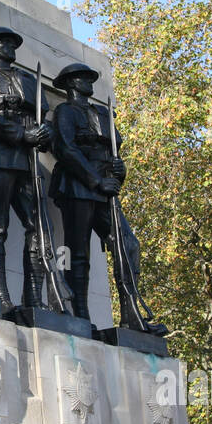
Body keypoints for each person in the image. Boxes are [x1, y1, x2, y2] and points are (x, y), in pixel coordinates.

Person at [49, 62, 166, 334]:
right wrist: (96, 180)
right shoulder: (65, 111)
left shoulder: (102, 113)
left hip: (106, 189)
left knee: (129, 245)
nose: (88, 82)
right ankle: (80, 314)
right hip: (78, 186)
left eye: (90, 78)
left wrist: (119, 172)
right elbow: (66, 149)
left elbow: (114, 151)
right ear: (69, 83)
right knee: (77, 254)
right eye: (81, 78)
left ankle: (131, 314)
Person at [0, 26, 52, 314]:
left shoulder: (27, 80)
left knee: (39, 227)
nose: (10, 46)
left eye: (12, 42)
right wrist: (19, 134)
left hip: (27, 160)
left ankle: (34, 298)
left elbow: (43, 116)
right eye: (3, 42)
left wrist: (44, 134)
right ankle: (0, 296)